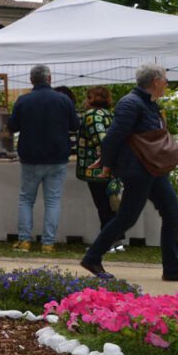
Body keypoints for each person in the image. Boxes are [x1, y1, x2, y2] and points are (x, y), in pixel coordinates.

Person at [81, 64, 178, 282]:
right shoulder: (131, 103)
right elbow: (114, 135)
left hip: (151, 168)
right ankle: (92, 257)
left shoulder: (148, 103)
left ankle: (172, 268)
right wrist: (106, 163)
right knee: (127, 217)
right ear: (155, 81)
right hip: (137, 169)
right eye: (165, 79)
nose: (167, 83)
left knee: (172, 213)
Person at [8, 64, 79, 253]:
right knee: (53, 201)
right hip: (57, 157)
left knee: (26, 200)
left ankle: (24, 240)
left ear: (31, 80)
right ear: (50, 78)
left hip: (30, 157)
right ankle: (48, 243)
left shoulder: (23, 100)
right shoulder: (63, 100)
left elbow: (12, 126)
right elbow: (75, 125)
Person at [75, 87, 125, 253]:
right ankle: (118, 241)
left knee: (103, 206)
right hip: (112, 165)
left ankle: (106, 243)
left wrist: (104, 157)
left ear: (91, 99)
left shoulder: (92, 115)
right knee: (113, 204)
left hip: (96, 168)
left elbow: (102, 139)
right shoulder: (110, 114)